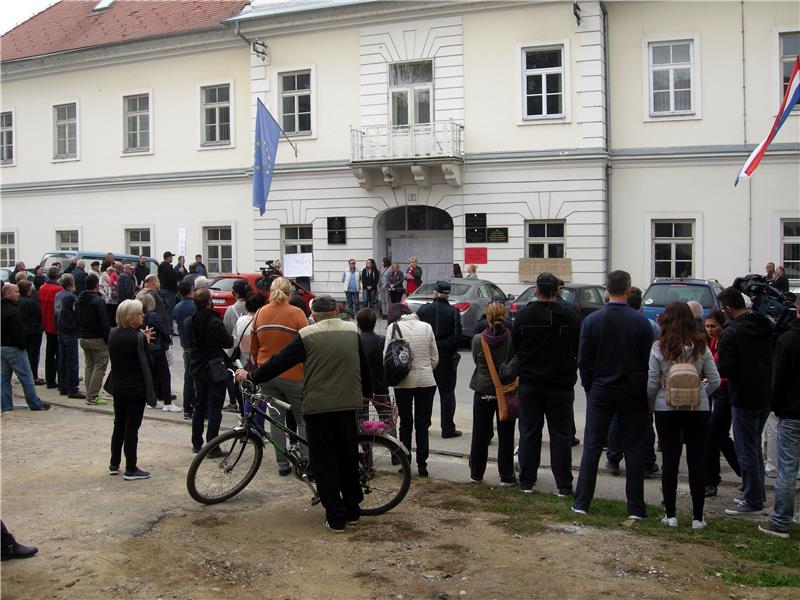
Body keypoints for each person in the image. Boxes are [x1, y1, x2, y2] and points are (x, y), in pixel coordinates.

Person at [236, 295, 373, 532]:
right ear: (337, 311)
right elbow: (365, 365)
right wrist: (367, 393)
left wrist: (252, 376)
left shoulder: (308, 335)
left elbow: (279, 362)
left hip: (319, 406)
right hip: (348, 404)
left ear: (314, 315)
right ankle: (353, 510)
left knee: (325, 461)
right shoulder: (352, 331)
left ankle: (336, 517)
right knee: (347, 456)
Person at [572, 270, 655, 520]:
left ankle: (582, 502)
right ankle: (636, 508)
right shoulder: (641, 323)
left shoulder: (593, 320)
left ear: (607, 289)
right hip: (632, 390)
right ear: (628, 289)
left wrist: (589, 385)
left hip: (601, 388)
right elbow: (646, 362)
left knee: (593, 446)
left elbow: (584, 360)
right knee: (634, 447)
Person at [647, 302, 720, 529]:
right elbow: (715, 380)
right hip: (697, 410)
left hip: (667, 408)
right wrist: (700, 394)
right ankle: (698, 518)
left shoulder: (659, 347)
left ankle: (671, 515)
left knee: (669, 461)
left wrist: (655, 399)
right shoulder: (701, 345)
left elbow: (651, 383)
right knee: (696, 462)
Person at [512, 272, 580, 495]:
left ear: (537, 290)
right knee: (560, 434)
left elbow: (516, 347)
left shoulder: (524, 315)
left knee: (530, 431)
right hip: (560, 384)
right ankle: (563, 484)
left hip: (531, 382)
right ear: (557, 291)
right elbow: (576, 347)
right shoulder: (569, 316)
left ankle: (527, 481)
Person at [716, 287, 774, 516]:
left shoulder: (731, 333)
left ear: (728, 309)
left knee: (746, 449)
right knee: (754, 447)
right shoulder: (764, 325)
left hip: (743, 395)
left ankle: (753, 499)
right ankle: (756, 493)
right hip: (764, 392)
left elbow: (726, 367)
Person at [250, 277, 309, 476]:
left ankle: (282, 464)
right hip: (293, 374)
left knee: (276, 419)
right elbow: (307, 345)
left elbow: (253, 347)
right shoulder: (297, 313)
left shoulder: (260, 313)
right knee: (302, 419)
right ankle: (305, 461)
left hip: (266, 372)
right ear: (289, 293)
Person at [605, 287, 659, 478]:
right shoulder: (650, 325)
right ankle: (646, 463)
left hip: (615, 377)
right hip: (642, 378)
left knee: (617, 420)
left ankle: (613, 459)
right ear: (641, 306)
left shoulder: (611, 321)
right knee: (644, 422)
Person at [759, 294, 800, 538]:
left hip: (792, 412)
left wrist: (775, 406)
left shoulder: (788, 340)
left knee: (787, 469)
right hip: (791, 410)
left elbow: (779, 378)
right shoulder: (788, 338)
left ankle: (781, 520)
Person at [385, 302, 438, 477]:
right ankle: (423, 464)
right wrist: (424, 367)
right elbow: (434, 358)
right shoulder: (427, 327)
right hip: (426, 381)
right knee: (423, 424)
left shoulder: (393, 328)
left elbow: (387, 356)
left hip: (403, 382)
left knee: (405, 423)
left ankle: (405, 461)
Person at [470, 300, 517, 486]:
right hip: (505, 392)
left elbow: (475, 360)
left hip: (483, 390)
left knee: (480, 434)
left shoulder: (477, 339)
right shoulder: (511, 339)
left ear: (487, 318)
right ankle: (506, 476)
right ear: (504, 317)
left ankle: (476, 474)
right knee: (506, 435)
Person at [108, 299, 156, 480]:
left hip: (119, 386)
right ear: (130, 316)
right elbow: (148, 362)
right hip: (135, 388)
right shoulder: (137, 338)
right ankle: (131, 467)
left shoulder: (113, 333)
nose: (142, 316)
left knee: (119, 424)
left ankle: (114, 462)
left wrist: (143, 338)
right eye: (139, 314)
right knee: (132, 427)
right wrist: (146, 342)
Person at [186, 288, 233, 452]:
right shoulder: (214, 322)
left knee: (199, 405)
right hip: (214, 367)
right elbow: (228, 342)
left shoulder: (190, 321)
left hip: (198, 366)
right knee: (215, 407)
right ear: (209, 303)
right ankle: (212, 445)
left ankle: (196, 443)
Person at [417, 281, 463, 438]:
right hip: (446, 358)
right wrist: (441, 344)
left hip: (426, 357)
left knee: (427, 394)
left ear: (435, 294)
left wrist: (431, 344)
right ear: (448, 294)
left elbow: (419, 334)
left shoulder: (423, 310)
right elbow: (457, 338)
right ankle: (447, 428)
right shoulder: (453, 312)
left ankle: (424, 425)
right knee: (447, 394)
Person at [703, 309, 741, 497]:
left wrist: (713, 378)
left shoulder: (725, 339)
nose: (710, 330)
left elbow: (724, 367)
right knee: (719, 436)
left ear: (722, 324)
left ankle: (713, 479)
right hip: (718, 390)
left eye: (713, 326)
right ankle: (743, 472)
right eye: (707, 326)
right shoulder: (713, 340)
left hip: (724, 390)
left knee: (714, 434)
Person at [1, 284, 50, 411]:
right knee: (26, 376)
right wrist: (22, 346)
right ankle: (34, 403)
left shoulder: (3, 309)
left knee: (4, 378)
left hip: (2, 347)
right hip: (14, 347)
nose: (18, 294)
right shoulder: (13, 311)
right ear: (7, 294)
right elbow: (17, 331)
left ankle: (5, 405)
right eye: (15, 292)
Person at [356, 308, 393, 433]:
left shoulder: (355, 341)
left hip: (360, 389)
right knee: (388, 421)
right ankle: (395, 449)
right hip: (380, 387)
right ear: (375, 323)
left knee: (362, 424)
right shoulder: (382, 340)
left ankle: (366, 450)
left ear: (358, 324)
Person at [75, 274, 110, 406]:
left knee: (90, 365)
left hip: (84, 336)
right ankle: (93, 395)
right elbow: (104, 322)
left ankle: (89, 393)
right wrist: (108, 339)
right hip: (97, 338)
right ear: (96, 285)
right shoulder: (97, 301)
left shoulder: (79, 299)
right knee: (100, 366)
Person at [140, 293, 177, 412]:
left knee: (154, 374)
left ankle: (153, 400)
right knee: (165, 374)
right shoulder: (154, 316)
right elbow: (163, 330)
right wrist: (168, 340)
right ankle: (167, 402)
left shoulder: (143, 316)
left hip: (149, 347)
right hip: (157, 348)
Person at [223, 279, 250, 412]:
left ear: (235, 293)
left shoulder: (230, 310)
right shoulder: (252, 307)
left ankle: (238, 404)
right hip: (249, 349)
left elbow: (226, 330)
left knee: (235, 377)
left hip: (234, 349)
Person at [55, 274, 84, 399]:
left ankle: (63, 385)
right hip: (69, 329)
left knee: (62, 359)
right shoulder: (71, 297)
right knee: (72, 360)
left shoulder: (58, 295)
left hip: (61, 328)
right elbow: (77, 313)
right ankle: (72, 388)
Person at [174, 280, 197, 420]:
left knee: (188, 377)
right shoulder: (194, 306)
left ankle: (187, 408)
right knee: (197, 379)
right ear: (191, 290)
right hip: (194, 346)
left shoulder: (178, 306)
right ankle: (195, 406)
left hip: (185, 346)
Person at [38, 266, 62, 390]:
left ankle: (50, 379)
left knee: (49, 352)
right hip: (56, 324)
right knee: (59, 353)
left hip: (46, 323)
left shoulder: (42, 288)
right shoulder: (58, 289)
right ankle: (59, 378)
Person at [17, 280, 44, 385]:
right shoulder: (32, 302)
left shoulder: (17, 301)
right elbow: (39, 315)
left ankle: (24, 375)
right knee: (34, 354)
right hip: (34, 330)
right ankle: (34, 376)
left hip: (23, 330)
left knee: (25, 354)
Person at [157, 251, 179, 330]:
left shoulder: (160, 266)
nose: (172, 258)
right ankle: (169, 328)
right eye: (171, 257)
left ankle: (165, 326)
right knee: (169, 310)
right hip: (169, 291)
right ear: (168, 257)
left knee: (164, 309)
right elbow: (172, 279)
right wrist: (179, 273)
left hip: (163, 289)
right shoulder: (168, 267)